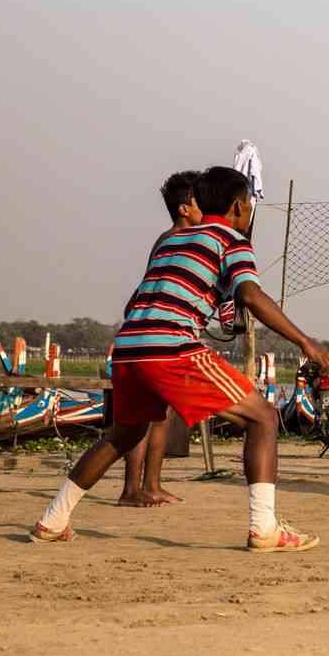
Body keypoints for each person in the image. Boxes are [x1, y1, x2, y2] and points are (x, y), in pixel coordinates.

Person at [31, 167, 329, 551]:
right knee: (264, 417)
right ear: (240, 206)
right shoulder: (232, 240)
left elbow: (133, 303)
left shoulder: (172, 240)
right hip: (170, 347)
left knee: (123, 435)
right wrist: (306, 342)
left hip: (128, 348)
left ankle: (53, 520)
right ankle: (264, 529)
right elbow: (252, 297)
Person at [117, 171, 202, 508]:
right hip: (157, 335)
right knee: (141, 418)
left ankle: (151, 484)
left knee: (161, 414)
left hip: (160, 333)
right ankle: (131, 488)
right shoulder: (172, 239)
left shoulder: (175, 239)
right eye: (199, 202)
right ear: (184, 209)